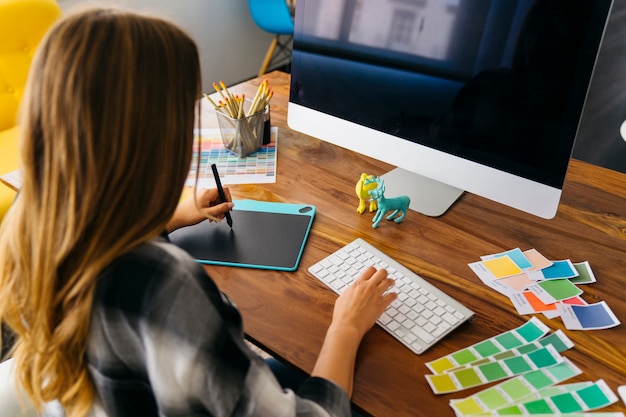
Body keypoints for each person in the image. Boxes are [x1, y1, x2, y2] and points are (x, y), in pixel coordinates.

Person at [0, 7, 397, 417]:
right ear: (157, 134)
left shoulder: (31, 222)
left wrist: (168, 218)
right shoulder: (161, 282)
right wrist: (346, 326)